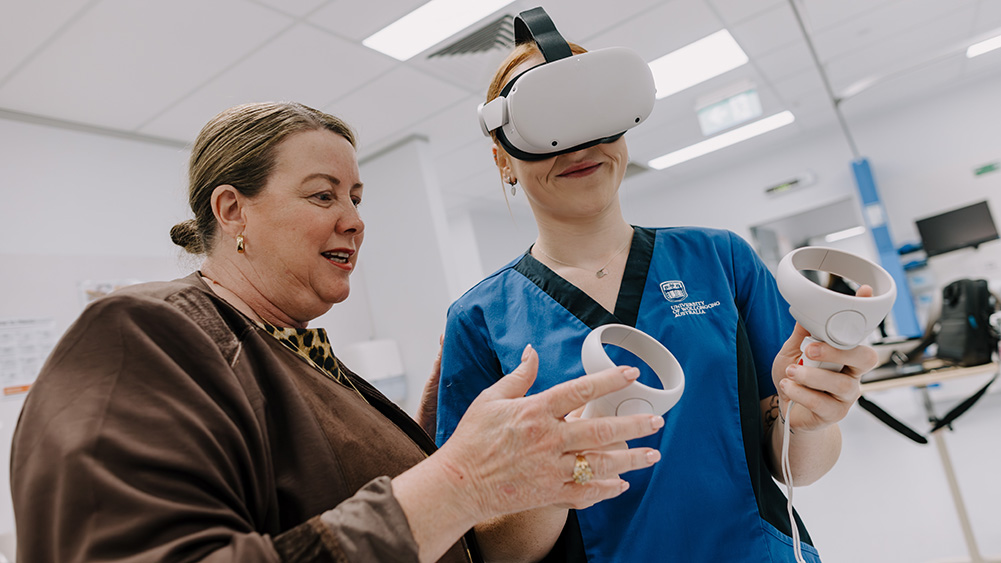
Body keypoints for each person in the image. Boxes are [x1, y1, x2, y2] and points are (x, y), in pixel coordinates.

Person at [9, 101, 667, 563]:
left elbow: (454, 541)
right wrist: (457, 481)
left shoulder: (314, 365)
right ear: (231, 208)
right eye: (323, 195)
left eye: (357, 197)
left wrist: (533, 477)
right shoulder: (142, 334)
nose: (354, 220)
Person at [435, 17, 880, 563]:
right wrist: (561, 467)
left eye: (595, 113)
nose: (579, 142)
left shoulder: (721, 259)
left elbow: (798, 466)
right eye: (547, 120)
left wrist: (806, 417)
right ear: (503, 157)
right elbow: (494, 549)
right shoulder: (479, 320)